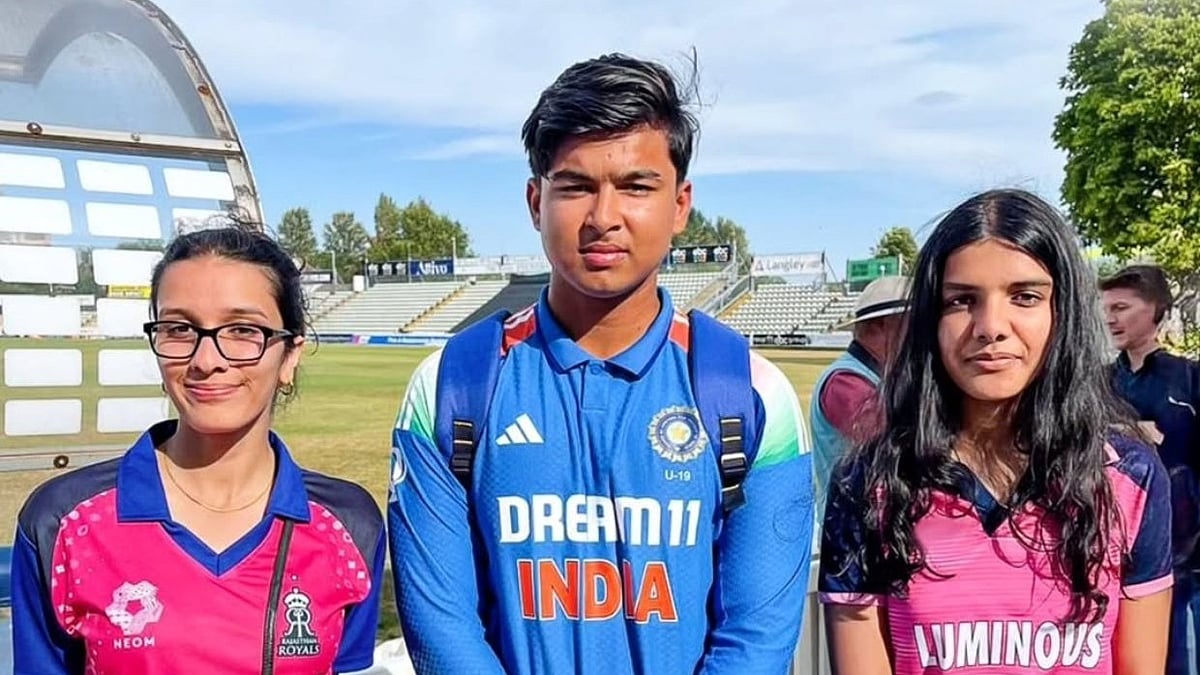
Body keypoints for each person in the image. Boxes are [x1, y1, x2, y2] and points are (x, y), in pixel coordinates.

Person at [387, 53, 814, 675]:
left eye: (637, 187)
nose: (603, 218)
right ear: (536, 201)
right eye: (576, 186)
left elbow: (756, 640)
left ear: (680, 204)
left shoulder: (749, 393)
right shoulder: (451, 385)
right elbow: (442, 630)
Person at [819, 189, 1172, 674]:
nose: (991, 326)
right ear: (930, 319)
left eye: (1025, 297)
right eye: (962, 300)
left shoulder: (1130, 478)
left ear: (1062, 312)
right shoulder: (869, 485)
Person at [11, 226, 386, 674]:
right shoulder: (64, 521)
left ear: (289, 356)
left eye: (243, 330)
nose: (206, 361)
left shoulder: (348, 524)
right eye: (179, 329)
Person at [1101, 264, 1200, 674]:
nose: (1110, 318)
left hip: (1187, 557)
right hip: (1114, 552)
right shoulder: (1096, 383)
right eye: (1105, 308)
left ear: (1157, 310)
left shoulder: (1190, 380)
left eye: (1121, 307)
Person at [810, 275, 910, 520]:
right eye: (911, 323)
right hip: (853, 535)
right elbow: (899, 447)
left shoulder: (878, 375)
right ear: (880, 326)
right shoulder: (845, 382)